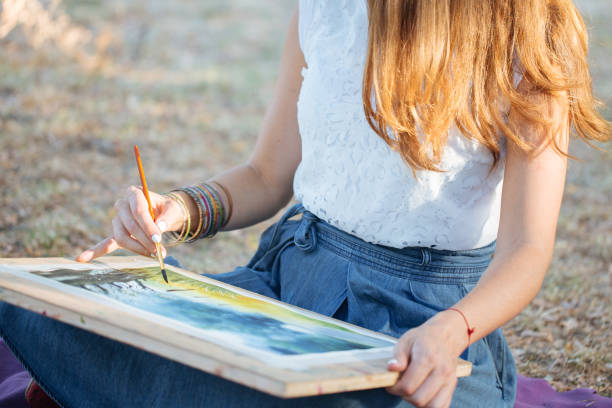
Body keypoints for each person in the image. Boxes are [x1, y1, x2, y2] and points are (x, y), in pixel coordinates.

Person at [1, 1, 609, 407]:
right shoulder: (323, 8)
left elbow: (528, 250)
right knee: (65, 315)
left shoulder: (530, 30)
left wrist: (452, 331)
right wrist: (178, 209)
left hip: (420, 323)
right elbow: (268, 174)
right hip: (289, 285)